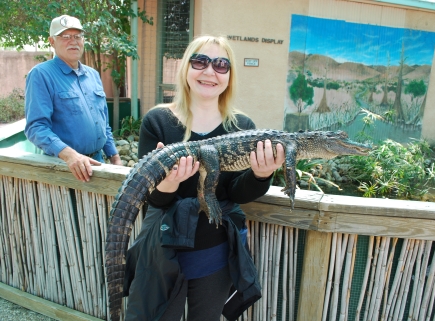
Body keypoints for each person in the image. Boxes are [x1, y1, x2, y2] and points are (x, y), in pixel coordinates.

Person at [123, 35, 285, 320]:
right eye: (200, 61)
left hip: (215, 250)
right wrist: (169, 182)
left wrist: (261, 175)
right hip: (163, 249)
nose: (210, 71)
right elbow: (153, 200)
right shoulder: (157, 121)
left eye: (221, 65)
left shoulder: (242, 126)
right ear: (186, 68)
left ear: (229, 75)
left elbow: (235, 193)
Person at [24, 15, 122, 182]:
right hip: (65, 168)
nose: (73, 41)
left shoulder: (92, 75)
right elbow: (36, 127)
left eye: (77, 36)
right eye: (65, 37)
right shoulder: (41, 75)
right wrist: (70, 156)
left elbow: (102, 122)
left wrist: (114, 156)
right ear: (52, 41)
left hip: (97, 162)